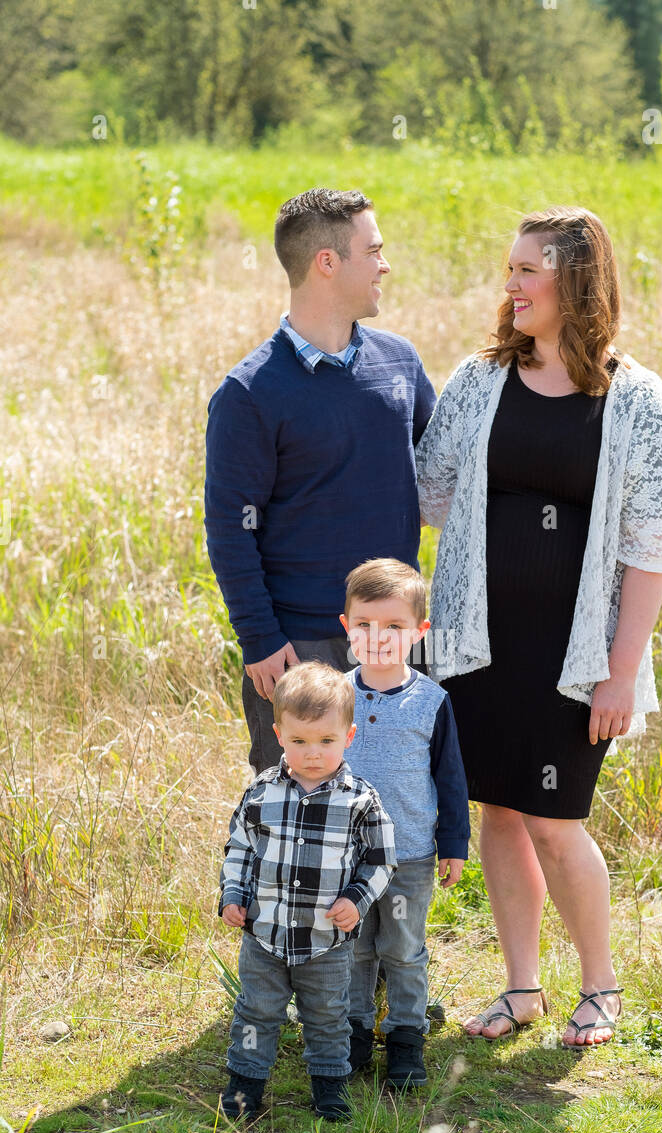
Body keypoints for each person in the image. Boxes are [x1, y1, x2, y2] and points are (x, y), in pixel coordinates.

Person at [415, 206, 662, 1049]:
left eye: (529, 269)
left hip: (576, 657)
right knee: (499, 808)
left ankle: (600, 988)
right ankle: (521, 989)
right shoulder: (478, 379)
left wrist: (619, 670)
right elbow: (431, 495)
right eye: (510, 267)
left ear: (576, 281)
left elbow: (651, 552)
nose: (512, 284)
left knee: (556, 819)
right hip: (476, 644)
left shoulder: (635, 401)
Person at [204, 186, 436, 775]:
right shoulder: (250, 394)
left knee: (399, 809)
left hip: (391, 639)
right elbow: (231, 531)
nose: (386, 265)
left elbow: (445, 477)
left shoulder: (400, 363)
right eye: (374, 251)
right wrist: (259, 640)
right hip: (299, 648)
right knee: (298, 824)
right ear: (327, 263)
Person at [218, 661, 397, 1123]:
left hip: (325, 941)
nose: (312, 753)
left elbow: (381, 859)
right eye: (299, 741)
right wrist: (233, 894)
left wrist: (356, 900)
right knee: (256, 1011)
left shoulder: (360, 799)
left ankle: (329, 1087)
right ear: (278, 734)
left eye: (325, 741)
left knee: (327, 1016)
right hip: (265, 934)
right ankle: (245, 1085)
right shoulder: (261, 792)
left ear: (349, 737)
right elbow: (239, 846)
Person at [336, 558, 470, 1089]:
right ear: (347, 629)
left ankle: (406, 1039)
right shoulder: (336, 696)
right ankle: (353, 1036)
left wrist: (452, 844)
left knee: (403, 949)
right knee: (353, 949)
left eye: (394, 627)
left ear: (419, 633)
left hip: (408, 856)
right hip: (345, 857)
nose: (378, 638)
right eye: (365, 626)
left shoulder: (431, 702)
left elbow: (451, 779)